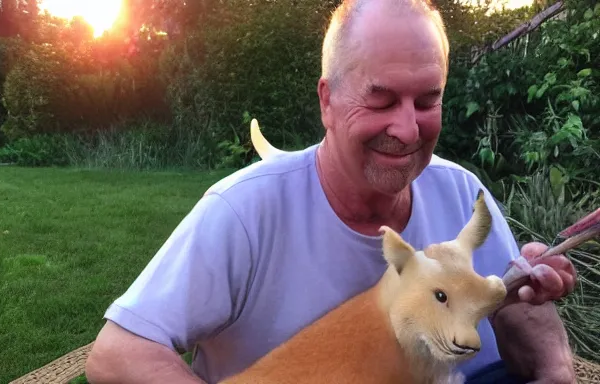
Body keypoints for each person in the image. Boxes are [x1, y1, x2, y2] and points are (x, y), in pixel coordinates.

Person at [85, 0, 578, 383]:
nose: (407, 130)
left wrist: (530, 306)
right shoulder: (245, 211)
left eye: (427, 100)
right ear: (328, 101)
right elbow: (117, 353)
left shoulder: (461, 191)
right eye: (381, 99)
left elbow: (512, 331)